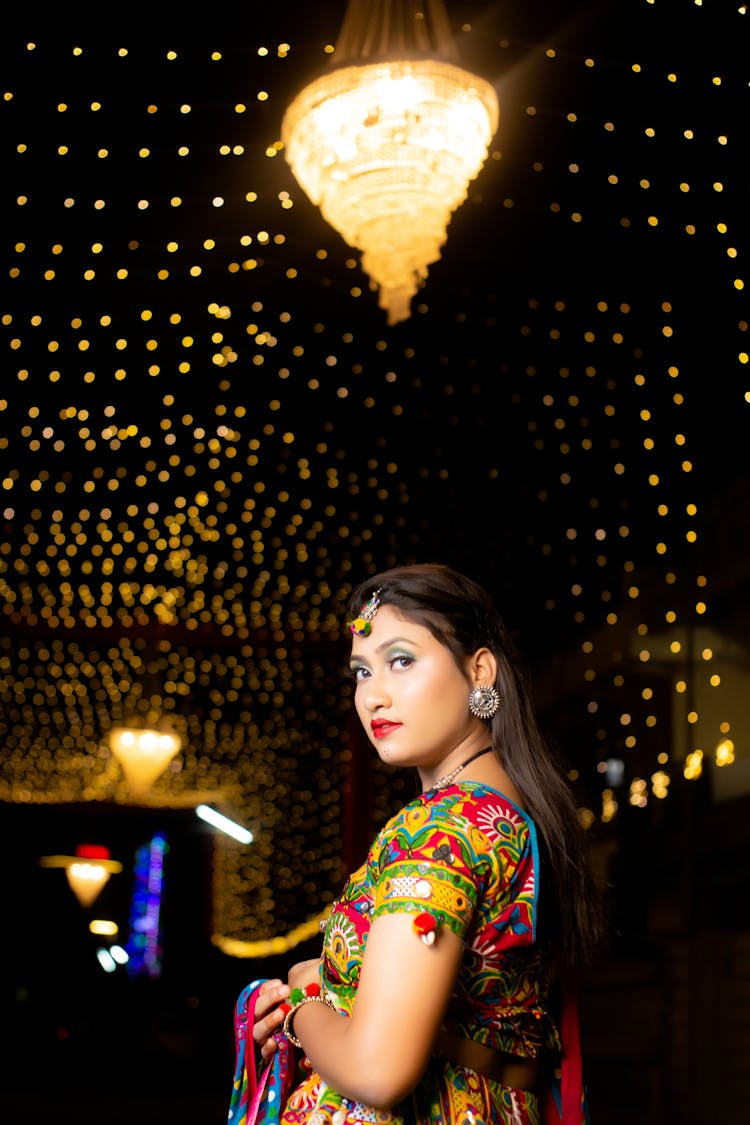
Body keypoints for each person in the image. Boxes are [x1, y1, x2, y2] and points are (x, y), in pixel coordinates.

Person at [248, 563, 601, 1125]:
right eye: (361, 672)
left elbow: (377, 1071)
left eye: (401, 660)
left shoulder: (441, 831)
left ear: (480, 670)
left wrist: (302, 1005)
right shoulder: (510, 812)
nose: (373, 696)